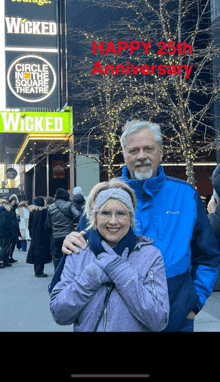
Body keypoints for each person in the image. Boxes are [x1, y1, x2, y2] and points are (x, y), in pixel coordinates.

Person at [62, 120, 220, 332]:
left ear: (160, 153)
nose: (141, 156)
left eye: (148, 148)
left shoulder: (186, 195)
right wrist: (71, 241)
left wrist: (193, 303)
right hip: (118, 320)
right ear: (125, 155)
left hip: (176, 318)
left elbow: (208, 256)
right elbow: (83, 245)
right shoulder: (103, 196)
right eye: (134, 150)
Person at [50, 179, 169, 331]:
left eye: (120, 213)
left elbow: (158, 320)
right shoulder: (78, 251)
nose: (113, 221)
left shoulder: (150, 256)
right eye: (105, 213)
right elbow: (59, 314)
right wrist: (91, 277)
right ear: (95, 217)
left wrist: (121, 272)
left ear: (131, 217)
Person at [45, 188, 80, 271]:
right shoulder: (69, 205)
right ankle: (69, 275)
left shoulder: (51, 207)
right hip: (68, 235)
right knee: (70, 256)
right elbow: (78, 215)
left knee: (57, 257)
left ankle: (57, 276)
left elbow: (48, 224)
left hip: (56, 236)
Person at [26, 196, 52, 277]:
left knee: (35, 253)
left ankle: (36, 270)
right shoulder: (45, 212)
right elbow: (48, 225)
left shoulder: (32, 212)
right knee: (41, 254)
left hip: (34, 236)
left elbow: (29, 225)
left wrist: (31, 234)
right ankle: (39, 271)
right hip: (43, 236)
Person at [0, 199, 15, 268]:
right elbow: (8, 223)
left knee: (5, 247)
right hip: (5, 232)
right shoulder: (5, 212)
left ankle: (5, 261)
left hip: (3, 232)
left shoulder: (3, 211)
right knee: (5, 248)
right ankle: (4, 261)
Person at [8, 194, 20, 263]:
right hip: (12, 227)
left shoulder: (14, 208)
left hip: (14, 227)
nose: (14, 202)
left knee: (13, 242)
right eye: (13, 200)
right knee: (11, 243)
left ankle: (10, 256)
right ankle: (9, 256)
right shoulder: (11, 209)